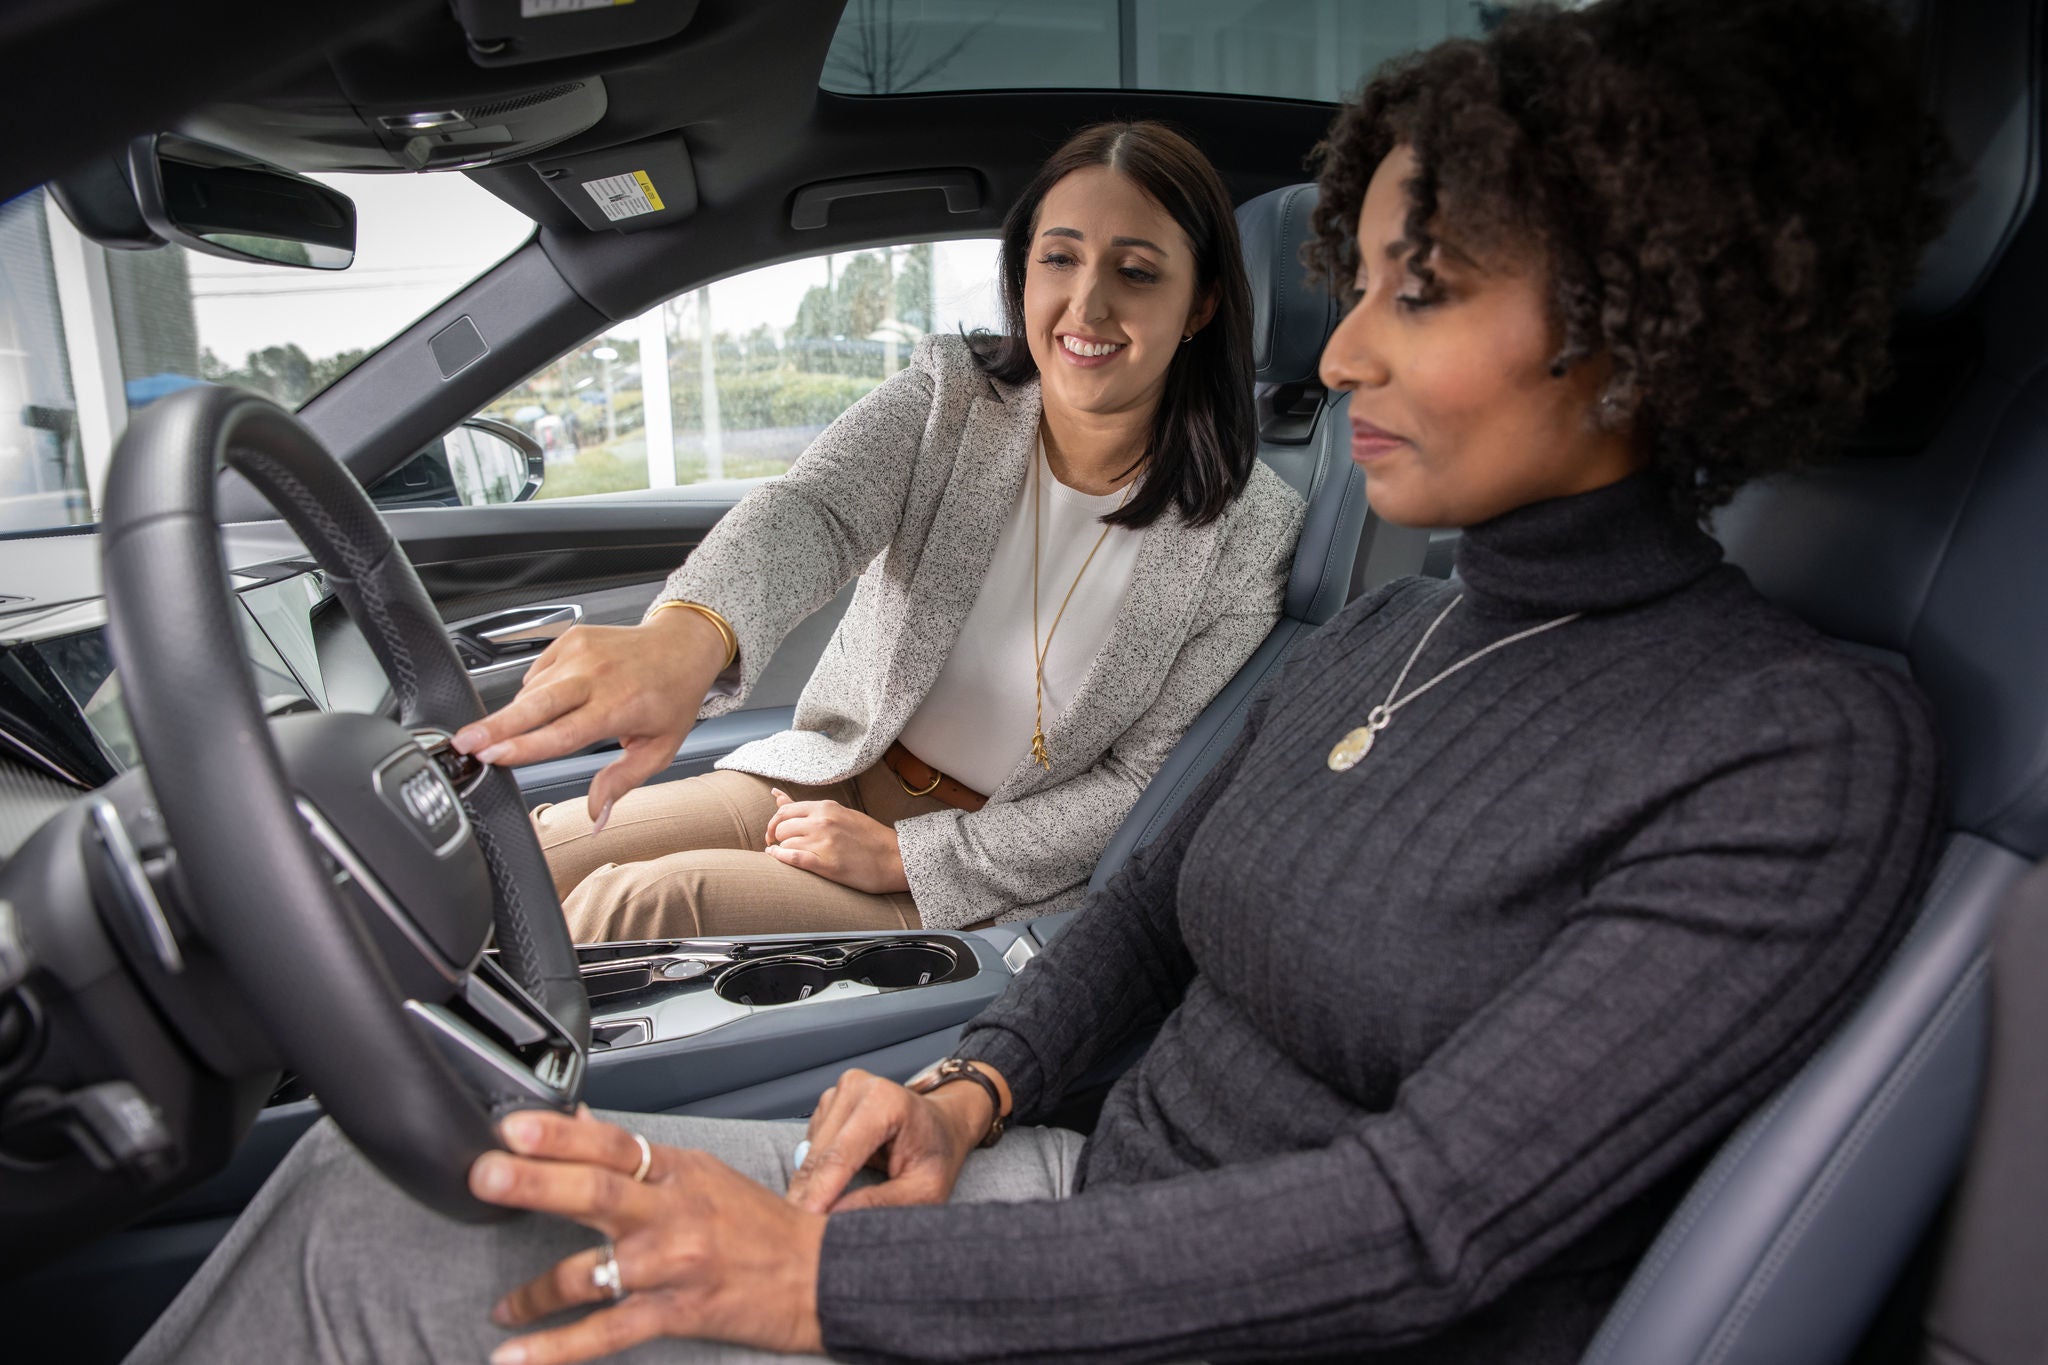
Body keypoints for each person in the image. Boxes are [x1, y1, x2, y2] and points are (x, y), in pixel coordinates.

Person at [124, 0, 1951, 1360]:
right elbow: (1147, 898)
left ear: (1647, 322)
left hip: (1236, 1324)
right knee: (356, 1190)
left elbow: (1429, 1227)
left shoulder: (1789, 750)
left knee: (372, 1249)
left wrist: (827, 1279)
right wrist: (970, 1094)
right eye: (1358, 280)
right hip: (1059, 1203)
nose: (1355, 344)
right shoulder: (1412, 622)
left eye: (1425, 288)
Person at [464, 121, 1304, 943]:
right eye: (1060, 257)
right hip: (838, 771)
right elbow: (813, 512)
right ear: (1024, 271)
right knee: (521, 857)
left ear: (1200, 303)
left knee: (636, 906)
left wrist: (914, 855)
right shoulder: (952, 398)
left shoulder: (1249, 530)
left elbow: (1146, 782)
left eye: (1137, 271)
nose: (1087, 302)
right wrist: (686, 635)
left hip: (981, 877)